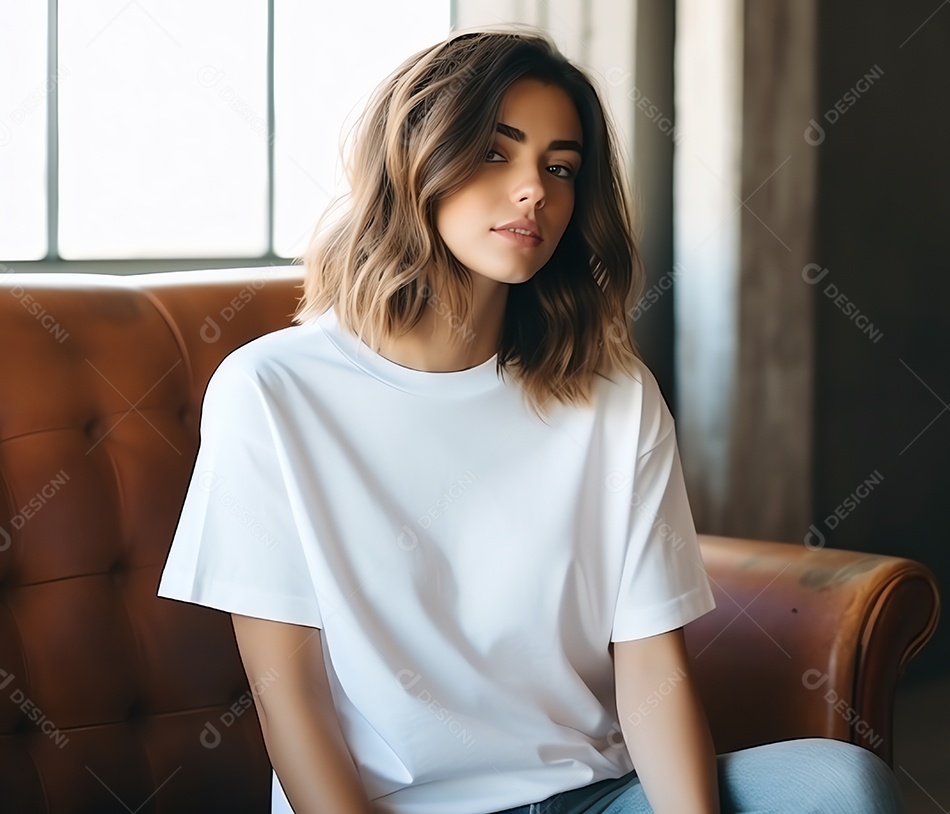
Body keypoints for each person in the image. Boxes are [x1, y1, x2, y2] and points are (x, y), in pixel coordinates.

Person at [157, 25, 905, 814]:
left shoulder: (613, 392)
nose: (534, 190)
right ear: (416, 158)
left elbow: (652, 668)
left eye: (560, 167)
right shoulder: (272, 391)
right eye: (495, 152)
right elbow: (290, 698)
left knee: (839, 784)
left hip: (595, 796)